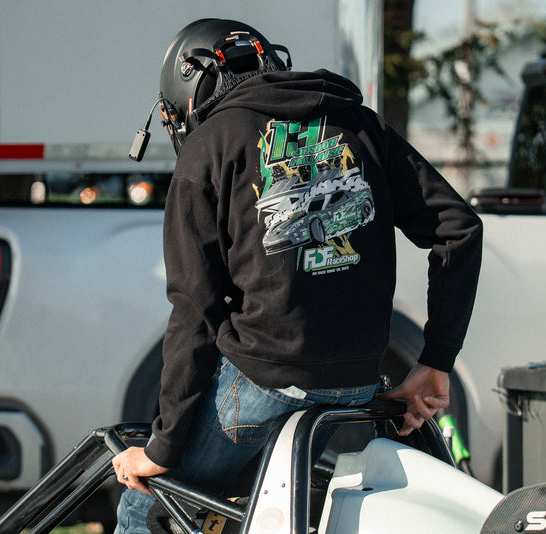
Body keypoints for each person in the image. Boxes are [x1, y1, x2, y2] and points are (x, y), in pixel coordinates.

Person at [112, 18, 483, 533]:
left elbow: (195, 311)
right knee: (257, 514)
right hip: (353, 383)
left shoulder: (210, 145)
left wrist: (162, 448)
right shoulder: (362, 125)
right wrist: (436, 361)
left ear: (192, 91)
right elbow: (459, 228)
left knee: (147, 504)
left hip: (263, 378)